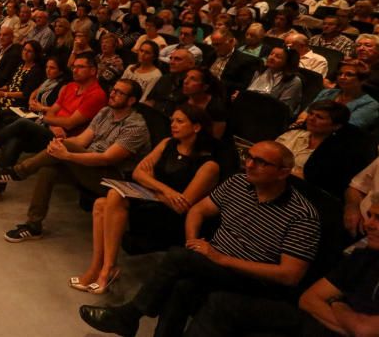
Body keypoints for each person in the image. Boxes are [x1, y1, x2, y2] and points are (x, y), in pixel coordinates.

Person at [79, 141, 321, 337]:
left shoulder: (302, 214)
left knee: (179, 260)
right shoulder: (238, 183)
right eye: (248, 157)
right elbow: (198, 210)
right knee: (182, 285)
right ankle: (133, 321)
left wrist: (221, 258)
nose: (249, 165)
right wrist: (193, 240)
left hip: (253, 278)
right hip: (215, 263)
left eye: (261, 162)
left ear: (283, 172)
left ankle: (129, 316)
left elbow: (290, 275)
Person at [71, 105, 220, 295]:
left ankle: (106, 269)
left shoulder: (209, 165)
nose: (173, 125)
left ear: (197, 127)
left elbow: (181, 205)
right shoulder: (167, 143)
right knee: (102, 203)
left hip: (168, 217)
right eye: (172, 120)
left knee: (112, 198)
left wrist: (152, 183)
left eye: (180, 121)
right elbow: (138, 173)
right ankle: (101, 268)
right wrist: (163, 189)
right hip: (152, 200)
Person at [184, 198, 379, 336]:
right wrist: (351, 321)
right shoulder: (363, 257)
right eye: (370, 216)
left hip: (325, 324)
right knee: (219, 303)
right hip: (316, 321)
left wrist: (337, 303)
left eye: (378, 218)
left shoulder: (302, 214)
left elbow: (365, 330)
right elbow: (308, 299)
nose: (368, 224)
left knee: (179, 261)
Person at [0, 79, 151, 240]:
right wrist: (57, 145)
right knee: (48, 169)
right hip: (87, 165)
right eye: (113, 90)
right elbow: (81, 141)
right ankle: (33, 225)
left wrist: (67, 154)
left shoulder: (136, 126)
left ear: (131, 101)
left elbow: (106, 158)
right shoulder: (105, 112)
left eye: (119, 92)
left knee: (64, 147)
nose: (113, 94)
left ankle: (19, 171)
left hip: (113, 179)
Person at [277, 100, 376, 198]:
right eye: (311, 114)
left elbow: (315, 181)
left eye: (319, 117)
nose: (311, 118)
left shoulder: (336, 151)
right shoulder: (294, 133)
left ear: (336, 126)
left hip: (298, 193)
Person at [296, 59, 379, 135]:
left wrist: (308, 123)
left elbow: (344, 130)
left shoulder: (371, 104)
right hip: (306, 133)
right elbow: (305, 114)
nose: (342, 77)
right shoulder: (327, 93)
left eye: (349, 74)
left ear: (362, 80)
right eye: (340, 74)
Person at [247, 46, 304, 114]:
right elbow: (248, 91)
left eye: (278, 57)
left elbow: (284, 109)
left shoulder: (294, 81)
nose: (271, 58)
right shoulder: (260, 71)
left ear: (288, 62)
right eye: (271, 54)